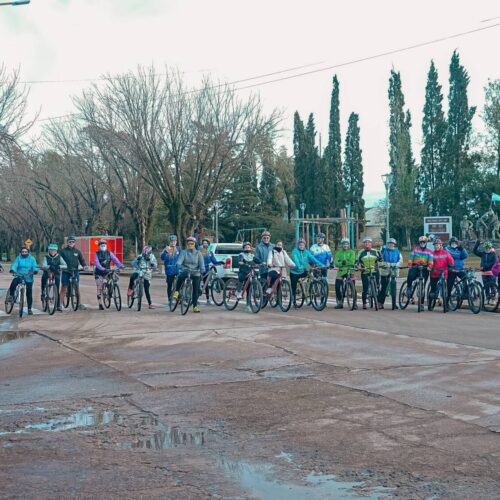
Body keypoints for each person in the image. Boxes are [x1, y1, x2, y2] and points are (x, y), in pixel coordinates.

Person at [172, 236, 205, 313]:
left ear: (194, 244)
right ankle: (177, 291)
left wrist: (202, 269)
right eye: (189, 243)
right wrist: (178, 264)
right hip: (186, 270)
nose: (190, 245)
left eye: (192, 243)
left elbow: (201, 263)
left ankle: (195, 306)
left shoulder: (198, 253)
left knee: (196, 288)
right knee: (180, 277)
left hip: (195, 272)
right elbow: (180, 260)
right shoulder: (184, 252)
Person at [290, 238, 323, 306]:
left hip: (302, 271)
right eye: (300, 245)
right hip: (294, 272)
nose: (301, 246)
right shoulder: (294, 252)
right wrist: (299, 266)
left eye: (303, 245)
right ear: (298, 245)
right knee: (294, 286)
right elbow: (296, 260)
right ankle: (294, 301)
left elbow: (313, 259)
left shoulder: (306, 252)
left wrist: (321, 265)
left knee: (310, 275)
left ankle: (308, 290)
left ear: (304, 245)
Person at [94, 239, 124, 310]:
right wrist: (102, 268)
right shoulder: (96, 254)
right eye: (101, 245)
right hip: (99, 272)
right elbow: (97, 263)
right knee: (99, 287)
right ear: (99, 246)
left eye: (104, 245)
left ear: (106, 245)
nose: (103, 246)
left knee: (115, 278)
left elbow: (115, 260)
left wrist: (121, 266)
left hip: (107, 271)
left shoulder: (109, 253)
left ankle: (110, 288)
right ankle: (100, 304)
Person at [8, 246, 38, 315]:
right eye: (23, 252)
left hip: (28, 276)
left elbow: (34, 266)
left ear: (28, 252)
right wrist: (13, 269)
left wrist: (35, 271)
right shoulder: (18, 258)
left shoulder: (32, 258)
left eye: (25, 252)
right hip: (19, 275)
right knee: (14, 282)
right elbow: (15, 264)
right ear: (21, 252)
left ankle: (29, 309)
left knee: (29, 292)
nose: (24, 253)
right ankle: (11, 295)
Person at [59, 236, 87, 310]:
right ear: (67, 242)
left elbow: (81, 260)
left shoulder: (77, 251)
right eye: (70, 242)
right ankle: (60, 304)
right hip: (66, 271)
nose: (71, 243)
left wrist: (84, 266)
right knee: (64, 287)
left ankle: (79, 304)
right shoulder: (63, 251)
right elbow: (59, 259)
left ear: (75, 243)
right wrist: (59, 266)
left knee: (76, 287)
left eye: (73, 242)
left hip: (75, 271)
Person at [127, 245, 158, 309]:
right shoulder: (140, 256)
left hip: (147, 273)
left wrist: (152, 264)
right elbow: (133, 263)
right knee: (132, 276)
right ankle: (130, 289)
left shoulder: (152, 257)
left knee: (147, 289)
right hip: (139, 271)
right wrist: (137, 260)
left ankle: (150, 303)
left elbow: (155, 265)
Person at [377, 238, 403, 309]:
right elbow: (380, 259)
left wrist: (397, 265)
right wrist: (384, 264)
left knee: (393, 287)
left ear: (394, 244)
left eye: (392, 244)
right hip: (385, 270)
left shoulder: (397, 251)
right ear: (387, 244)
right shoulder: (383, 251)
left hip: (394, 269)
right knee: (384, 286)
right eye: (390, 243)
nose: (391, 245)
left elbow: (400, 260)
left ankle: (394, 303)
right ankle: (380, 302)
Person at [406, 236, 434, 301]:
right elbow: (411, 258)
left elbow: (430, 261)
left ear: (426, 243)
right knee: (410, 275)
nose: (422, 243)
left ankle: (421, 300)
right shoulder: (415, 250)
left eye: (424, 242)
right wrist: (410, 265)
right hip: (415, 266)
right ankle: (409, 287)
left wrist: (430, 266)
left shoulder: (429, 251)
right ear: (419, 243)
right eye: (421, 242)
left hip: (424, 268)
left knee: (423, 284)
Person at [357, 237, 382, 310]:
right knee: (365, 288)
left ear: (371, 244)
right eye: (365, 243)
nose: (367, 244)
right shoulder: (361, 252)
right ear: (364, 244)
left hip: (374, 271)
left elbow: (381, 259)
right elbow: (356, 262)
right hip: (365, 271)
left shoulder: (376, 251)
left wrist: (382, 262)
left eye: (369, 242)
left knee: (378, 287)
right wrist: (358, 267)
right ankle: (364, 303)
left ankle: (378, 301)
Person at [41, 244, 67, 312]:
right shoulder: (46, 257)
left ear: (56, 251)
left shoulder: (59, 257)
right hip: (47, 272)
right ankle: (43, 293)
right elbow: (43, 265)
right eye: (51, 250)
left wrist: (59, 266)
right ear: (49, 251)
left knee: (57, 288)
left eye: (54, 250)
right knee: (43, 280)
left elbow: (65, 265)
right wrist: (49, 266)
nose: (52, 251)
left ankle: (58, 305)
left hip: (56, 273)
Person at [428, 238, 454, 304]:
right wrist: (430, 267)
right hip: (434, 274)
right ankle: (430, 301)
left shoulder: (445, 253)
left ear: (440, 245)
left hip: (443, 273)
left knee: (444, 287)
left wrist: (451, 265)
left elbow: (451, 260)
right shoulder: (432, 254)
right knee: (433, 290)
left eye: (437, 245)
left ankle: (445, 301)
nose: (436, 246)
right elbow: (430, 262)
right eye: (435, 245)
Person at [333, 238, 357, 309]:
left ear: (349, 245)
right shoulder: (338, 252)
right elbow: (336, 263)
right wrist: (342, 263)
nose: (345, 245)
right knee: (337, 285)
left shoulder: (352, 252)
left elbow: (352, 262)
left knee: (353, 287)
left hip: (350, 270)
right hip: (341, 271)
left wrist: (343, 262)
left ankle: (355, 303)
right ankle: (340, 302)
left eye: (347, 244)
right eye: (344, 244)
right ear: (342, 245)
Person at [199, 238, 223, 305]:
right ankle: (195, 298)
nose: (205, 244)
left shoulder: (210, 253)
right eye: (203, 243)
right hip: (199, 270)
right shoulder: (199, 252)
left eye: (206, 243)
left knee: (206, 284)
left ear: (208, 244)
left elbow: (214, 261)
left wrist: (219, 262)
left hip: (207, 270)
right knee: (197, 283)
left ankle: (208, 299)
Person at [160, 235, 181, 306]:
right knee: (170, 284)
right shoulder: (166, 249)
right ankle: (169, 299)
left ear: (176, 242)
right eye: (171, 241)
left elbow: (182, 257)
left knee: (180, 283)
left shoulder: (179, 249)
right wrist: (166, 252)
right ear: (169, 242)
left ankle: (179, 298)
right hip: (169, 270)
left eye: (174, 241)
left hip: (177, 269)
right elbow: (162, 258)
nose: (173, 243)